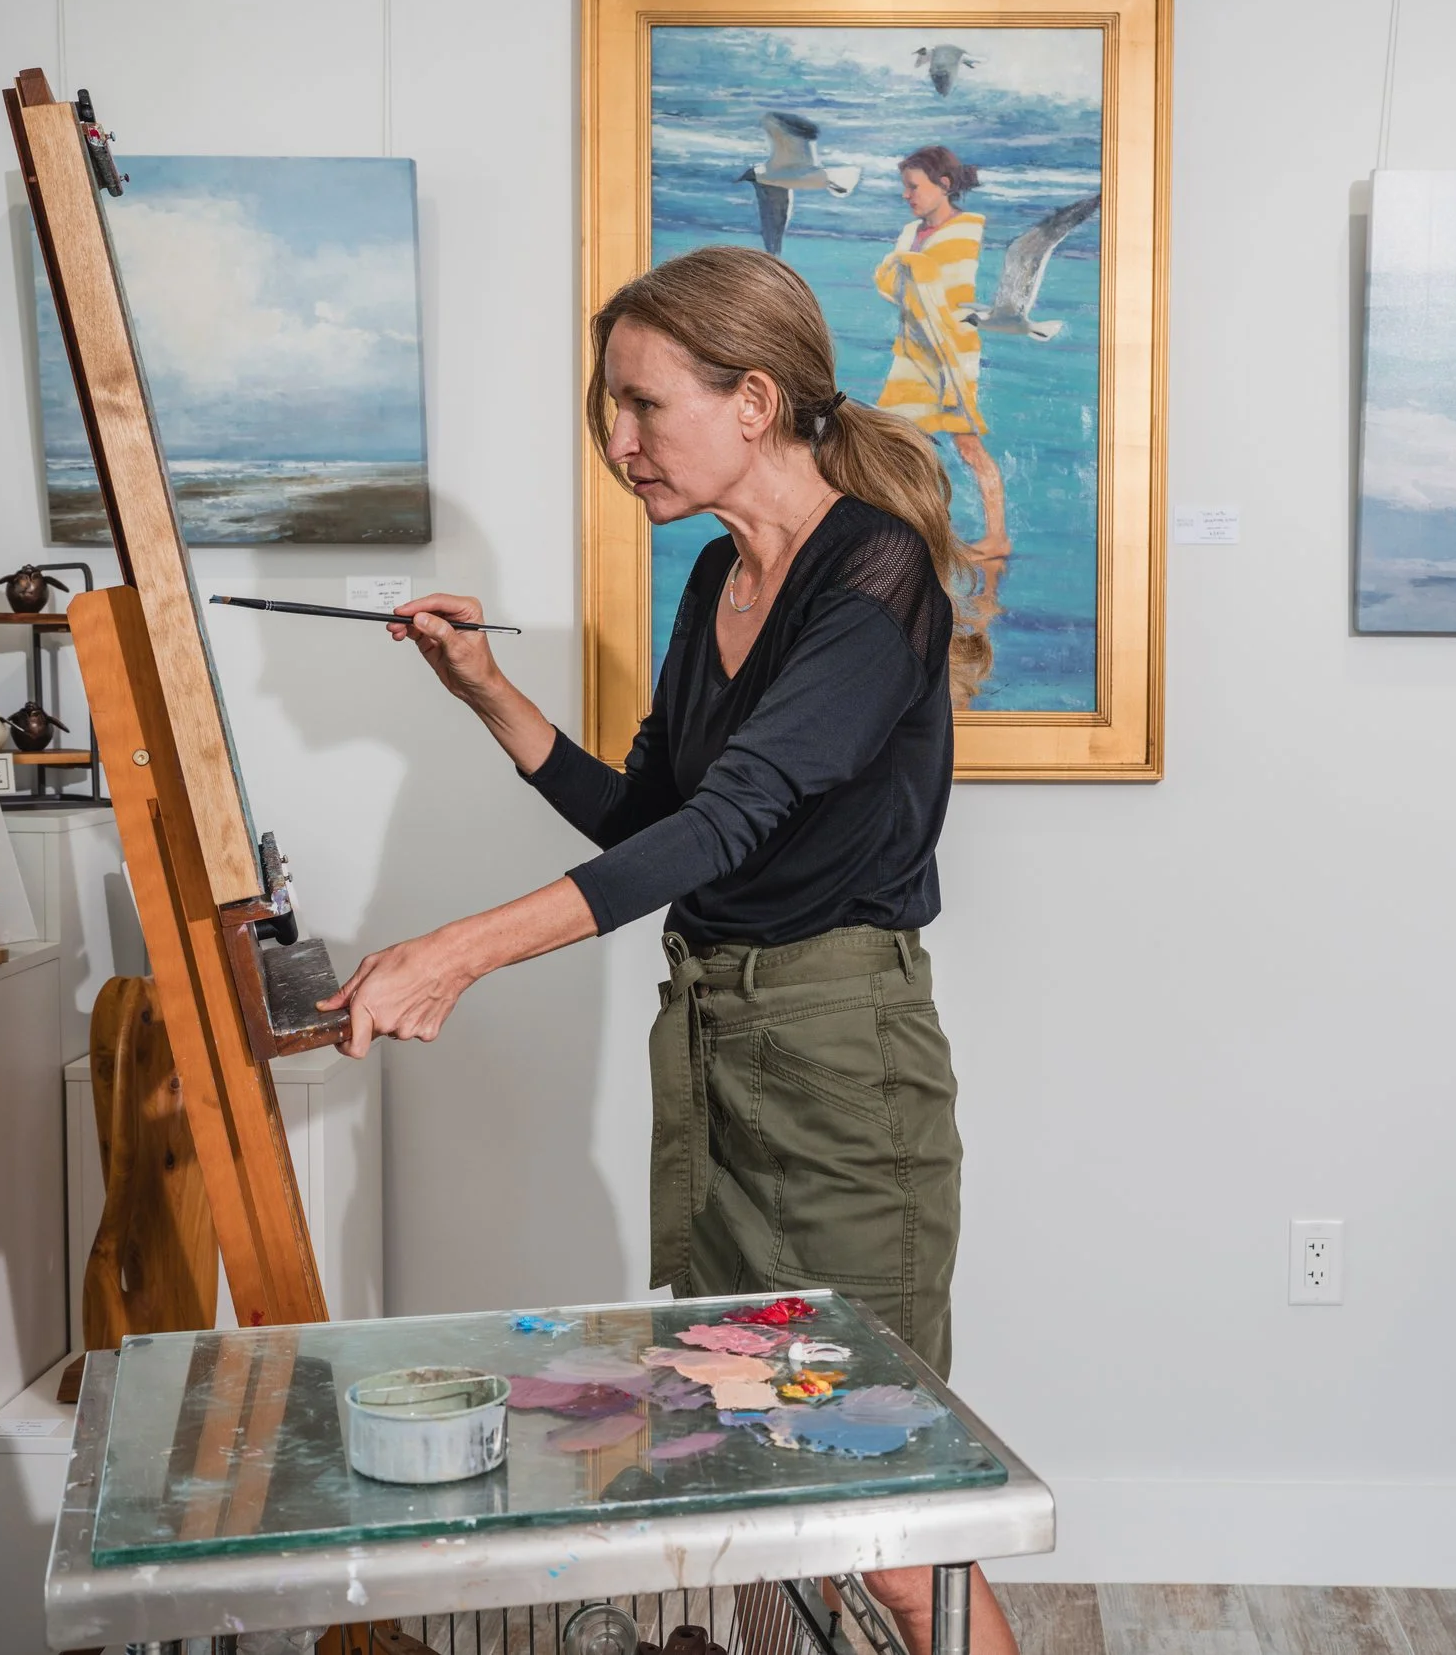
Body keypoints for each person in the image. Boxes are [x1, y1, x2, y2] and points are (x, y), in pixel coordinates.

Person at [317, 244, 1020, 1655]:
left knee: (878, 1498)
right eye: (610, 406)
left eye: (642, 404)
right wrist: (486, 690)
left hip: (837, 1061)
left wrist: (464, 948)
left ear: (755, 400)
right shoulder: (717, 578)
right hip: (713, 1039)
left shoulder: (873, 577)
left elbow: (730, 823)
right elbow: (658, 816)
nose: (619, 439)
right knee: (748, 1446)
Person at [874, 146, 1009, 562]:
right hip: (913, 353)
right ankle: (926, 532)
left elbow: (944, 290)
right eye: (904, 187)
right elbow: (892, 283)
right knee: (897, 442)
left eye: (913, 187)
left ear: (943, 185)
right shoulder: (911, 234)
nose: (906, 195)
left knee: (967, 444)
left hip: (949, 352)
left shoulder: (964, 231)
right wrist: (906, 264)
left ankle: (996, 536)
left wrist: (908, 265)